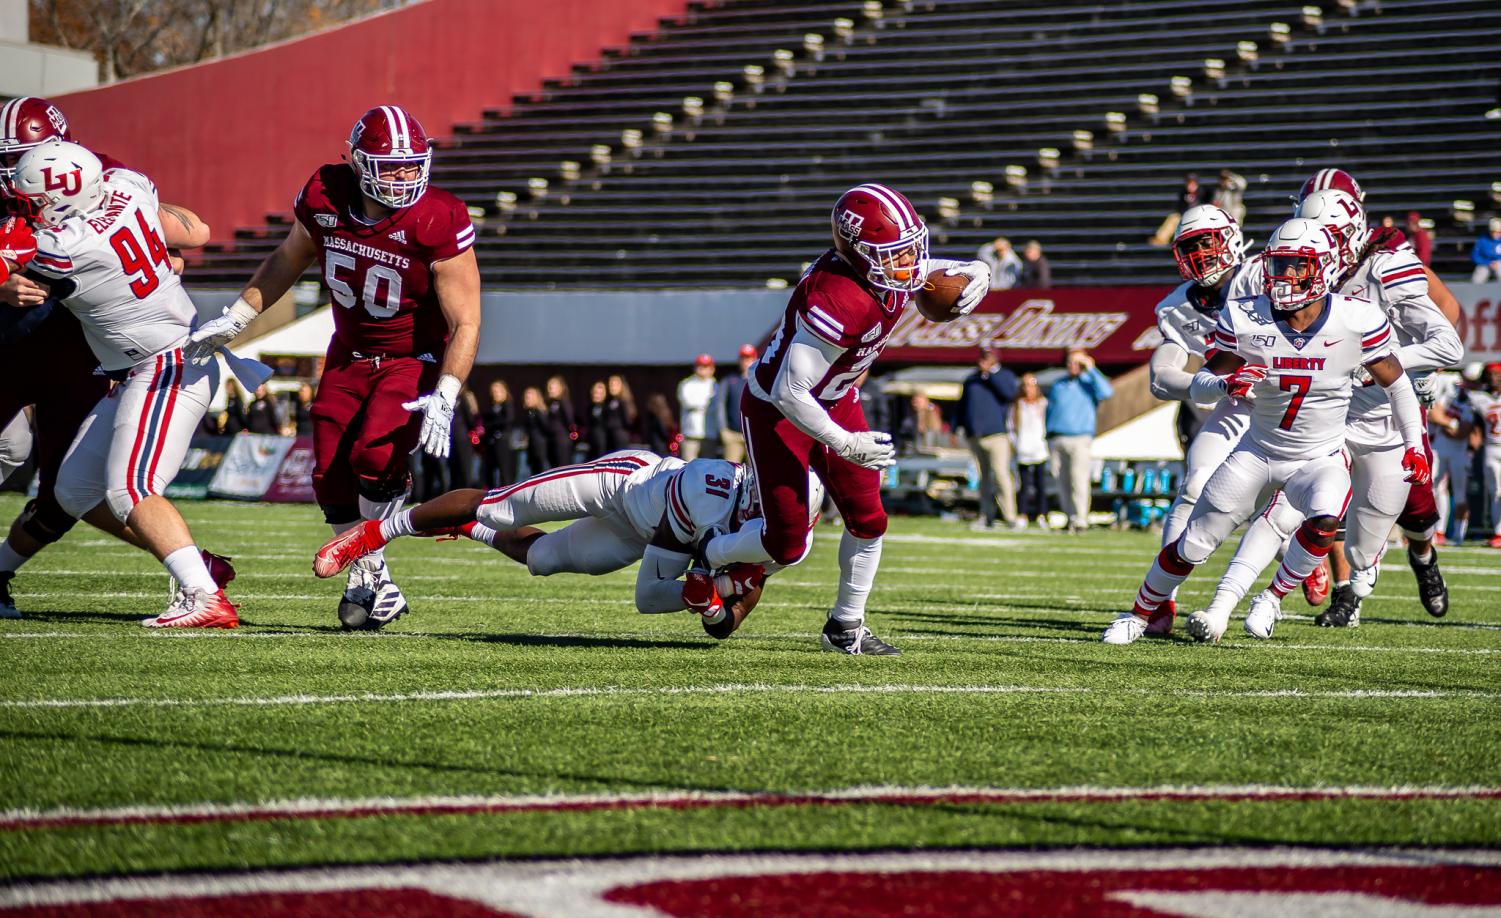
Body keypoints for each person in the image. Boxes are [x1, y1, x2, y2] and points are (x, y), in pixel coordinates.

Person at [188, 104, 482, 631]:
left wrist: (448, 390)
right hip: (347, 351)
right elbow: (288, 257)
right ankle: (371, 576)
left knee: (374, 455)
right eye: (391, 166)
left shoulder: (439, 216)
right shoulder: (326, 193)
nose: (405, 176)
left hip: (411, 357)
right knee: (327, 472)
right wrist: (238, 316)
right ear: (359, 163)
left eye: (413, 164)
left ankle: (369, 568)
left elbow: (466, 320)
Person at [1107, 218, 1430, 645]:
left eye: (1298, 265)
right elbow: (1206, 379)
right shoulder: (1245, 315)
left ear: (1325, 267)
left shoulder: (1357, 318)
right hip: (1257, 451)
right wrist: (1226, 384)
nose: (1286, 276)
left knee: (1326, 515)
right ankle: (1140, 613)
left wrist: (1414, 445)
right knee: (1194, 544)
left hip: (1321, 455)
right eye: (1279, 265)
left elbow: (1397, 384)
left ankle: (1272, 598)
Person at [698, 182, 990, 655]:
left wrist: (978, 270)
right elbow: (789, 391)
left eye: (912, 248)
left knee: (870, 519)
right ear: (860, 255)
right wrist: (845, 443)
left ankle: (845, 627)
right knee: (787, 545)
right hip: (780, 412)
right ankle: (713, 549)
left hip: (836, 398)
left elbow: (923, 270)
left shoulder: (884, 271)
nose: (911, 264)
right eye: (896, 254)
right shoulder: (838, 297)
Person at [7, 141, 238, 627]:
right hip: (149, 362)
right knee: (71, 490)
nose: (29, 213)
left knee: (130, 489)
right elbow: (182, 227)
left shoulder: (63, 247)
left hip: (166, 366)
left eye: (33, 204)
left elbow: (19, 263)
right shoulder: (126, 188)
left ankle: (203, 595)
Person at [1210, 189, 1462, 630]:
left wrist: (1383, 363)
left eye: (1327, 236)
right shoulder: (1291, 273)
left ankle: (1422, 557)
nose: (1310, 251)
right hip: (1333, 413)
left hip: (1386, 413)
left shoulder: (1384, 265)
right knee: (1297, 505)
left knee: (1412, 513)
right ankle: (1305, 597)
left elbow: (1448, 342)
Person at [314, 452, 822, 640]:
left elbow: (724, 613)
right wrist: (708, 583)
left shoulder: (787, 544)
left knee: (542, 559)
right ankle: (374, 533)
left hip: (636, 531)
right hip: (624, 485)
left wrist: (712, 608)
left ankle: (470, 530)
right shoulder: (709, 489)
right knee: (500, 505)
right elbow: (656, 587)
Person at [1134, 204, 1263, 636]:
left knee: (1288, 508)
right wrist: (1214, 386)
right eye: (1191, 247)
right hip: (1239, 404)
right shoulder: (1176, 308)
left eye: (1207, 243)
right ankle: (1162, 601)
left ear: (1230, 238)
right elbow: (1163, 376)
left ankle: (1297, 566)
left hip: (1298, 404)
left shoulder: (1265, 275)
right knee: (1193, 487)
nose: (1202, 255)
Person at [1047, 349, 1113, 534]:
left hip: (1080, 438)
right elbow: (1050, 411)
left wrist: (1091, 369)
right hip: (1057, 437)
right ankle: (1069, 517)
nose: (1072, 366)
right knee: (1062, 481)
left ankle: (1080, 519)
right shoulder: (1058, 384)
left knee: (1079, 480)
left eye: (1077, 362)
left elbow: (1107, 392)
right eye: (1070, 362)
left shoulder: (1088, 383)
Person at [957, 347, 1021, 530]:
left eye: (988, 357)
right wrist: (956, 428)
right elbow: (962, 405)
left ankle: (1010, 516)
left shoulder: (1004, 375)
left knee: (1001, 474)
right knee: (982, 478)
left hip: (997, 435)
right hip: (975, 435)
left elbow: (1009, 394)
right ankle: (986, 515)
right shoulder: (972, 379)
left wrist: (990, 375)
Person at [1429, 373, 1474, 545]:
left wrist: (1448, 424)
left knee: (1460, 494)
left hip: (1458, 453)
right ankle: (1433, 531)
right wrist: (1451, 424)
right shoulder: (1447, 399)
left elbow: (1462, 432)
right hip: (1440, 449)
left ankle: (1458, 535)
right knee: (1431, 489)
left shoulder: (1471, 405)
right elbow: (1435, 415)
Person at [1468, 363, 1501, 548]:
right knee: (1495, 492)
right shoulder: (1478, 398)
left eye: (1497, 374)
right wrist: (1472, 449)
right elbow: (1476, 427)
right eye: (1490, 374)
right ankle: (1498, 533)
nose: (1493, 378)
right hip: (1491, 447)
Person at [1011, 373, 1050, 527]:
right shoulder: (1017, 405)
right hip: (1023, 450)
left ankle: (1042, 514)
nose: (1028, 389)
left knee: (1041, 484)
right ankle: (1022, 513)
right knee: (1023, 484)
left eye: (1031, 385)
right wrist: (1016, 444)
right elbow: (1012, 428)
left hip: (1040, 449)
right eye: (1025, 385)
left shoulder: (1043, 404)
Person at [716, 344, 756, 462]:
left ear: (754, 359)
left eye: (749, 358)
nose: (746, 361)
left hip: (753, 434)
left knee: (754, 471)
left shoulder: (759, 380)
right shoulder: (729, 380)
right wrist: (723, 429)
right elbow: (720, 405)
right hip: (733, 434)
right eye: (743, 358)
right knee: (730, 470)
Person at [678, 353, 717, 461]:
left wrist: (702, 402)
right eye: (700, 366)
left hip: (709, 434)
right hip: (690, 434)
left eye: (705, 366)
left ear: (712, 369)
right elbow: (689, 402)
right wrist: (707, 401)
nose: (702, 369)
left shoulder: (716, 385)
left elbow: (716, 406)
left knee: (709, 469)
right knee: (688, 467)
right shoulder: (686, 384)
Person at [1150, 172, 1208, 246]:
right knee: (1174, 217)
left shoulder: (1204, 192)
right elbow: (1180, 208)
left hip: (1198, 218)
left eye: (1192, 183)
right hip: (1186, 217)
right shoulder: (1183, 193)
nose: (1190, 185)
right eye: (1188, 183)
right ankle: (1161, 239)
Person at [479, 379, 516, 488]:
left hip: (503, 442)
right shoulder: (491, 407)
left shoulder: (507, 404)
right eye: (493, 391)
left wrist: (491, 425)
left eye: (498, 391)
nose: (495, 393)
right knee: (489, 471)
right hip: (492, 442)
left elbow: (508, 420)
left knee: (504, 471)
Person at [542, 374, 575, 469]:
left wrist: (571, 437)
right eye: (549, 387)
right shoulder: (550, 403)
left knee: (562, 469)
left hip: (562, 441)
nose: (550, 389)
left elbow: (570, 421)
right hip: (552, 440)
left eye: (553, 387)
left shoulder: (564, 402)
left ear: (561, 388)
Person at [604, 374, 637, 452]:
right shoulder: (608, 401)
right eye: (610, 384)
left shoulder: (623, 402)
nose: (612, 387)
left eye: (615, 384)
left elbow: (628, 421)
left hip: (619, 438)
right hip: (609, 438)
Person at [521, 385, 548, 478]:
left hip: (539, 446)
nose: (527, 399)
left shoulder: (539, 412)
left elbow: (545, 428)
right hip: (531, 446)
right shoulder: (529, 412)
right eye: (526, 397)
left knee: (540, 472)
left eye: (529, 397)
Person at [584, 380, 610, 459]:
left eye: (600, 393)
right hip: (592, 442)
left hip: (603, 443)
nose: (597, 395)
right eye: (595, 392)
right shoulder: (590, 407)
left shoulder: (607, 407)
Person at [1472, 218, 1501, 284]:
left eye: (1499, 232)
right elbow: (1475, 256)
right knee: (1478, 279)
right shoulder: (1482, 240)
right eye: (1493, 231)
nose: (1496, 234)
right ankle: (1476, 293)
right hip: (1485, 263)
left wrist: (1497, 262)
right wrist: (1488, 263)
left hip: (1499, 263)